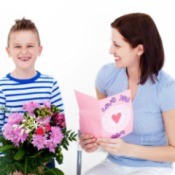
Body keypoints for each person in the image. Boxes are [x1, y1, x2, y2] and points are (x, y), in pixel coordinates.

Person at [80, 13, 175, 175]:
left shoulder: (166, 88)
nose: (111, 50)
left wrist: (128, 149)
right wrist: (89, 141)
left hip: (153, 166)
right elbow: (102, 129)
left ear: (139, 49)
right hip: (114, 164)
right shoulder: (106, 76)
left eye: (117, 45)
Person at [0, 18, 64, 175]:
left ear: (39, 49)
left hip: (44, 160)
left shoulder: (50, 84)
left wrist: (40, 164)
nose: (24, 52)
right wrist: (11, 169)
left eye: (30, 46)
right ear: (8, 51)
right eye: (17, 46)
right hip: (11, 163)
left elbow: (60, 126)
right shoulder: (2, 87)